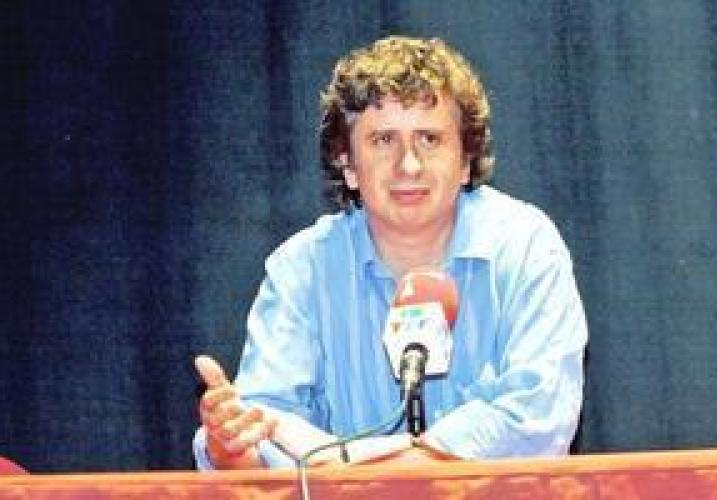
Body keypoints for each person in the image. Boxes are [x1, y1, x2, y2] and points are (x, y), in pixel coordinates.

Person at [193, 35, 588, 470]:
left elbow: (537, 419)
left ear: (465, 161)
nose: (409, 165)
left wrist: (354, 466)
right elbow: (265, 439)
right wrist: (232, 448)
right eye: (383, 140)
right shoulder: (302, 269)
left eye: (429, 139)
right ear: (347, 165)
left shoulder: (525, 247)